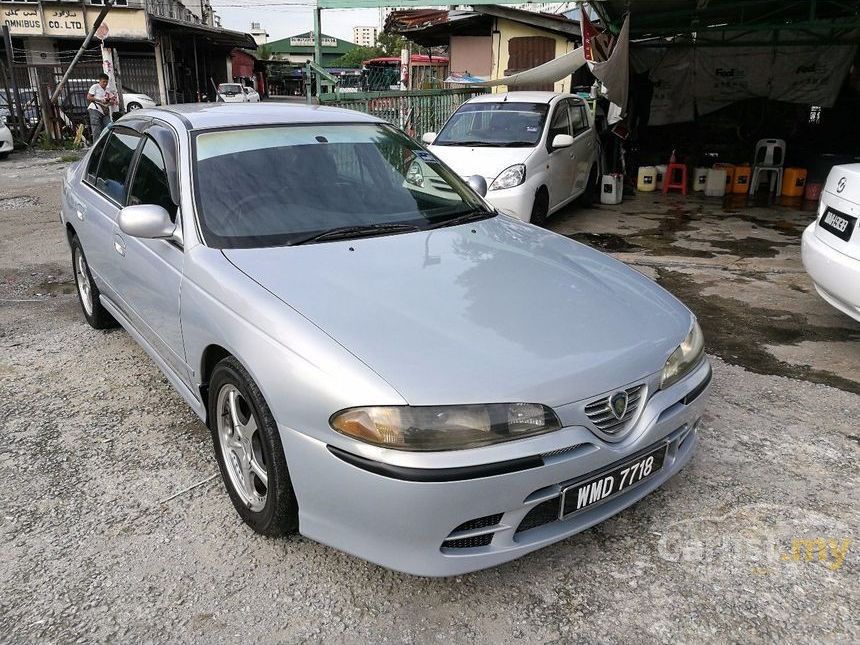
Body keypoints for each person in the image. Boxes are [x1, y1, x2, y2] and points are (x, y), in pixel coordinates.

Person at [87, 73, 114, 141]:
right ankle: (96, 147)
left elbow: (113, 99)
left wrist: (109, 102)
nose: (105, 83)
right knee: (96, 129)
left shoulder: (107, 90)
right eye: (103, 82)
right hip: (95, 109)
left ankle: (105, 144)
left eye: (106, 82)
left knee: (109, 126)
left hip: (104, 110)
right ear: (99, 81)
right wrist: (100, 100)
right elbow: (89, 97)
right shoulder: (95, 86)